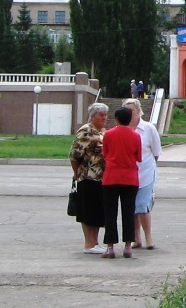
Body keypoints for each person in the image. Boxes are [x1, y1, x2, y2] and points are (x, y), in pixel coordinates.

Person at [100, 106, 142, 259]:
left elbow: (105, 153)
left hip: (111, 176)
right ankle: (128, 246)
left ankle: (110, 247)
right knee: (128, 212)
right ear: (129, 119)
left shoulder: (108, 134)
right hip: (130, 177)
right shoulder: (136, 136)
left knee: (110, 212)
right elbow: (138, 157)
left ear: (116, 119)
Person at [69, 102, 108, 254]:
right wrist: (77, 173)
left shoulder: (102, 132)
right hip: (87, 177)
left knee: (98, 211)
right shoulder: (85, 131)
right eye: (101, 115)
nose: (104, 117)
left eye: (105, 114)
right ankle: (89, 243)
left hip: (101, 178)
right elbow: (74, 155)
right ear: (93, 116)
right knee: (87, 210)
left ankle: (96, 242)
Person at [124, 98, 162, 249]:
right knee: (131, 207)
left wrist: (148, 166)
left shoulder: (149, 128)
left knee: (142, 206)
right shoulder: (123, 128)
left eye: (131, 110)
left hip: (145, 173)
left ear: (138, 111)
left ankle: (148, 237)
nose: (129, 113)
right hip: (127, 174)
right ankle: (136, 238)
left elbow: (156, 153)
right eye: (126, 110)